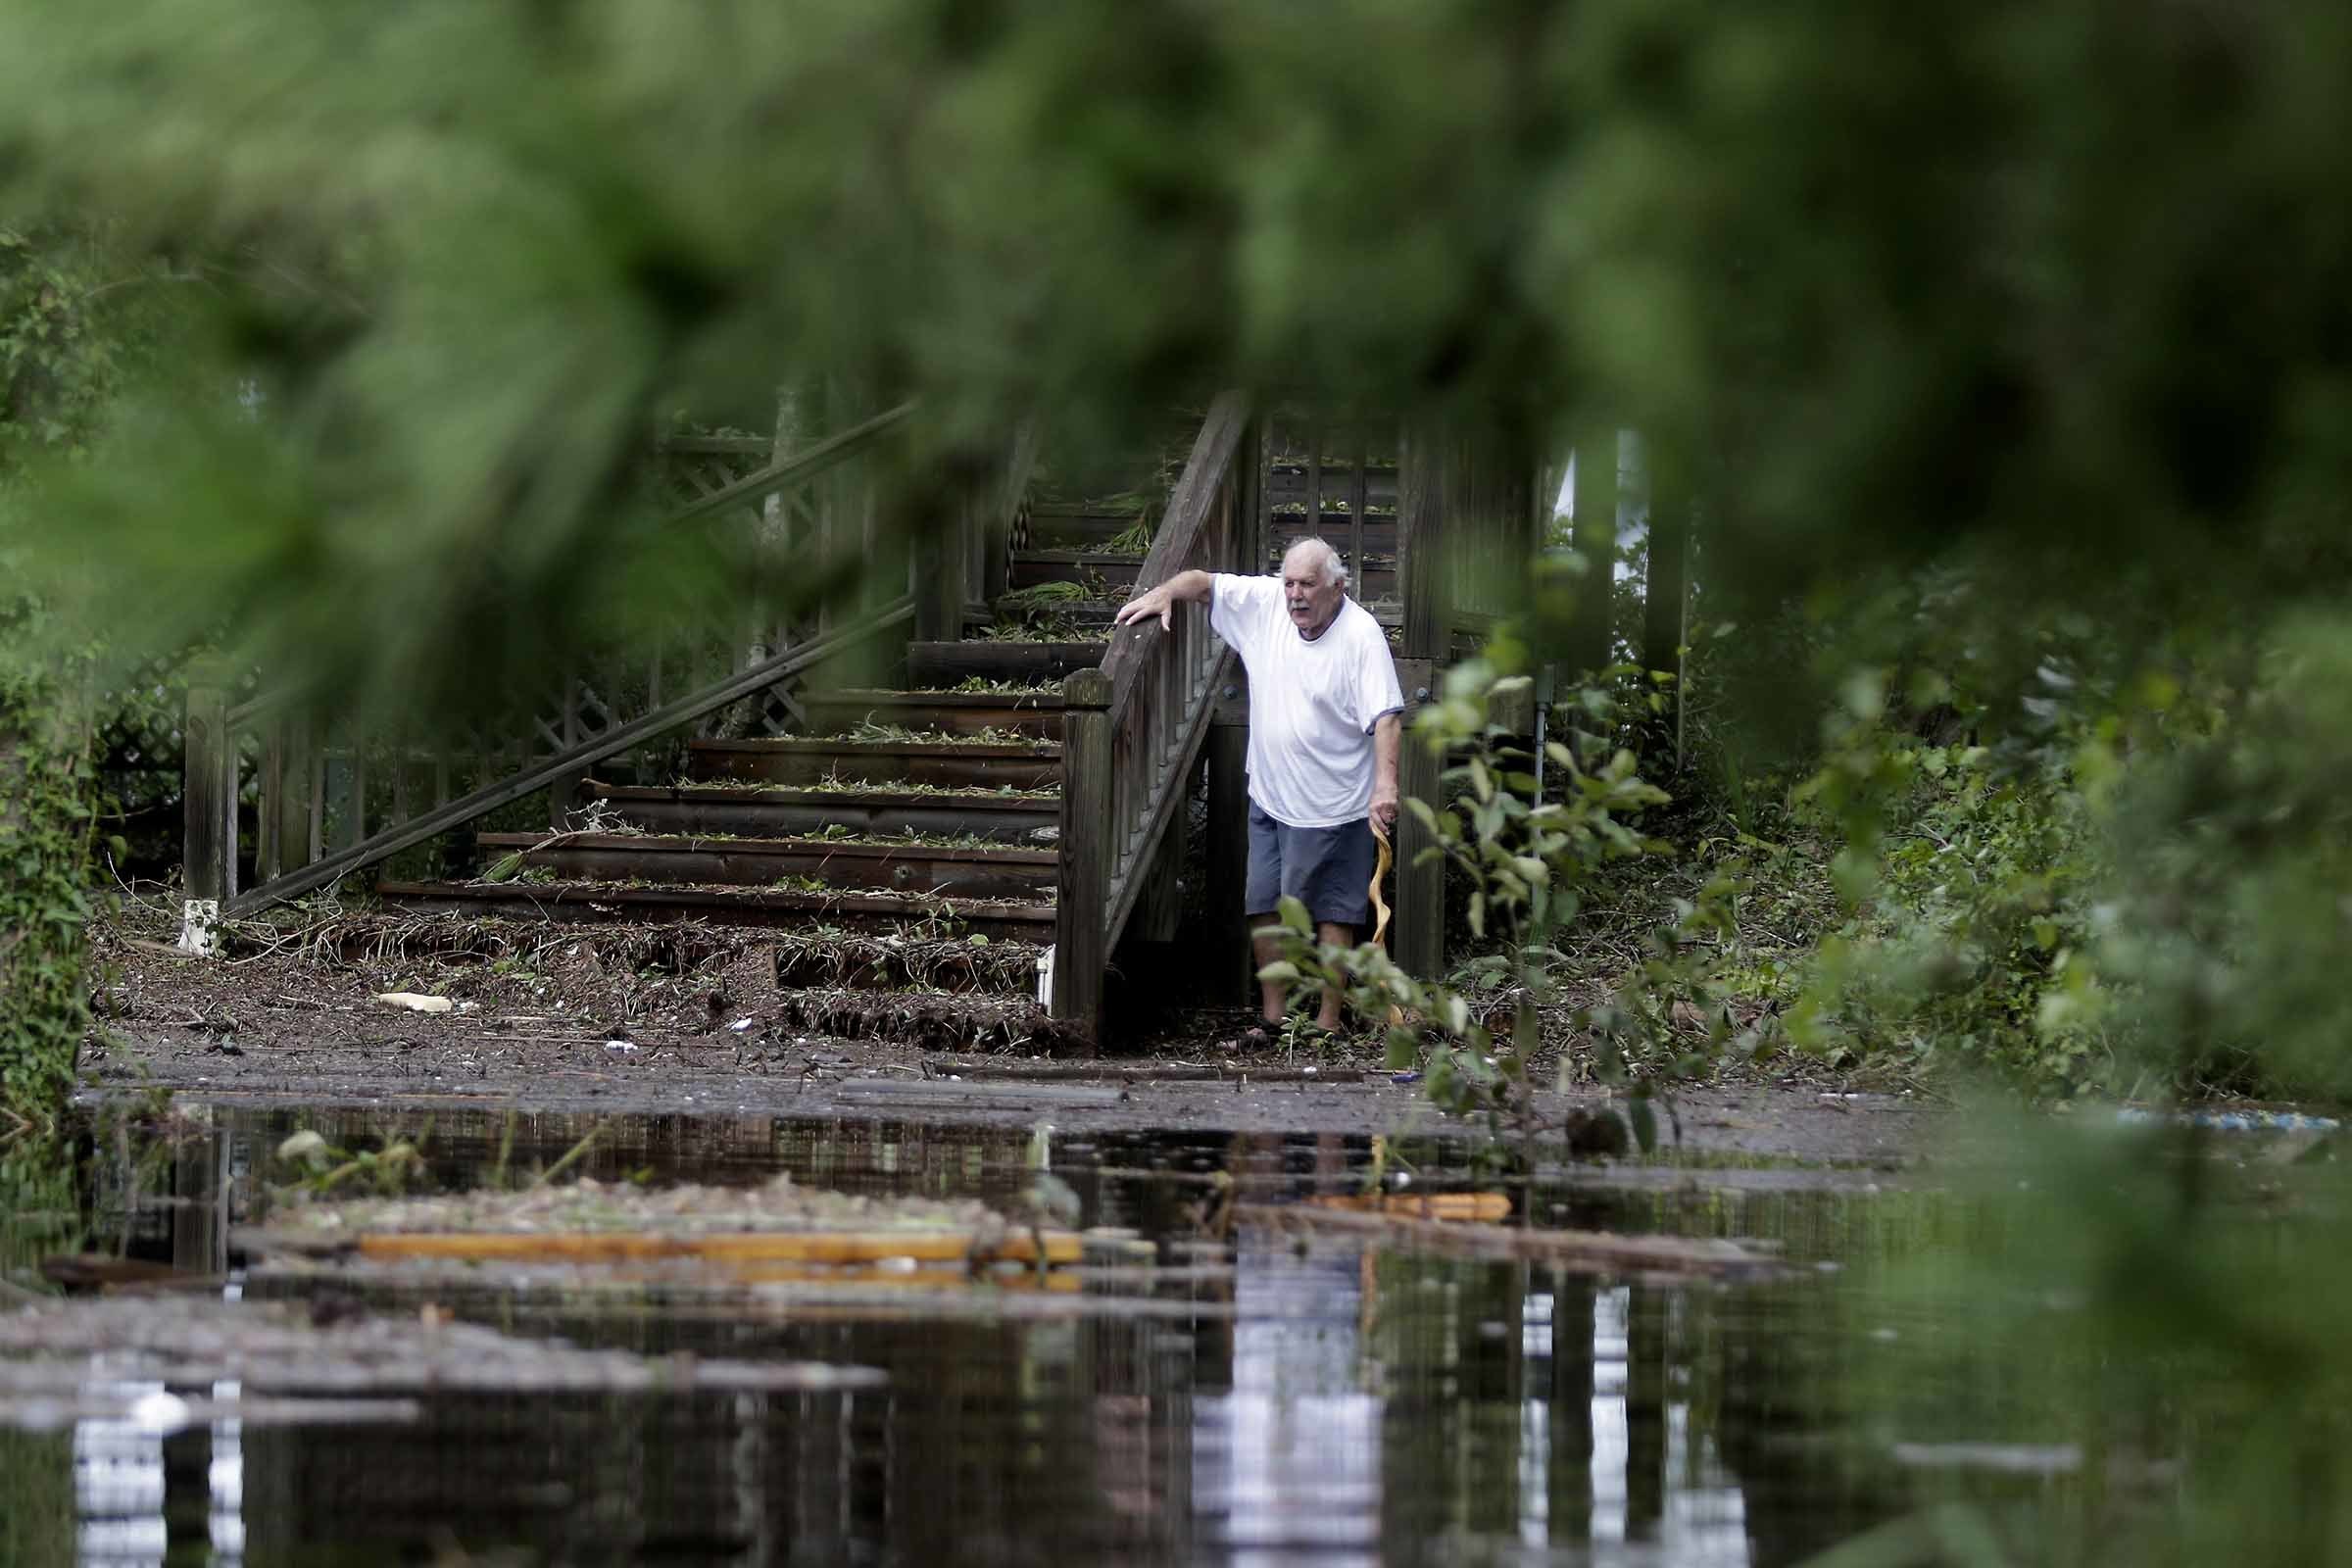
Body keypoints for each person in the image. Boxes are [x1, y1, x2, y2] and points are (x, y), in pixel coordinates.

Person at [1114, 537, 1403, 1036]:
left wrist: (1386, 786)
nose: (1295, 595)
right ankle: (1273, 1019)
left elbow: (1387, 717)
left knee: (1335, 913)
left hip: (1336, 803)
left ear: (1336, 586)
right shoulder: (1266, 603)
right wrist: (1166, 593)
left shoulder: (1361, 636)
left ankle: (1326, 1022)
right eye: (1289, 582)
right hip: (1271, 796)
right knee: (1263, 904)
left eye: (1307, 585)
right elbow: (1203, 583)